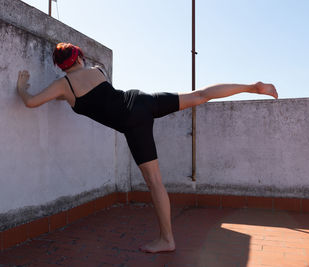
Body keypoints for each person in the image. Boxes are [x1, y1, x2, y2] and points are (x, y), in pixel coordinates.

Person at [16, 43, 278, 253]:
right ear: (80, 57)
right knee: (199, 95)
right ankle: (252, 87)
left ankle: (167, 239)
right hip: (141, 99)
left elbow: (31, 103)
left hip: (132, 123)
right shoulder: (97, 70)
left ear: (61, 66)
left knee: (155, 183)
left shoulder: (64, 86)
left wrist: (21, 88)